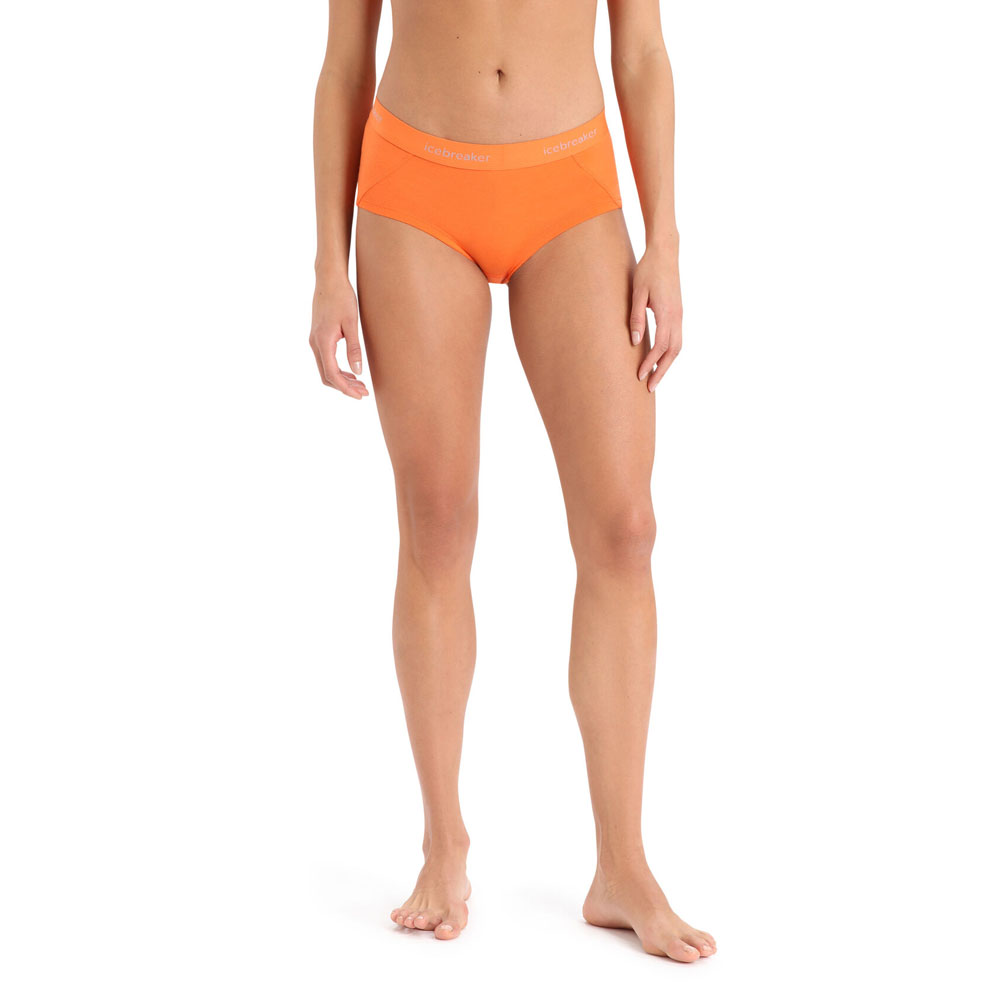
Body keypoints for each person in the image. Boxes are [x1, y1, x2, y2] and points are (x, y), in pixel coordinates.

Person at [309, 0, 715, 962]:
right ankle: (443, 842)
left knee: (624, 527)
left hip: (570, 185)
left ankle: (622, 865)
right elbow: (344, 62)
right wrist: (328, 262)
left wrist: (664, 238)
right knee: (437, 520)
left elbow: (643, 50)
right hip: (414, 187)